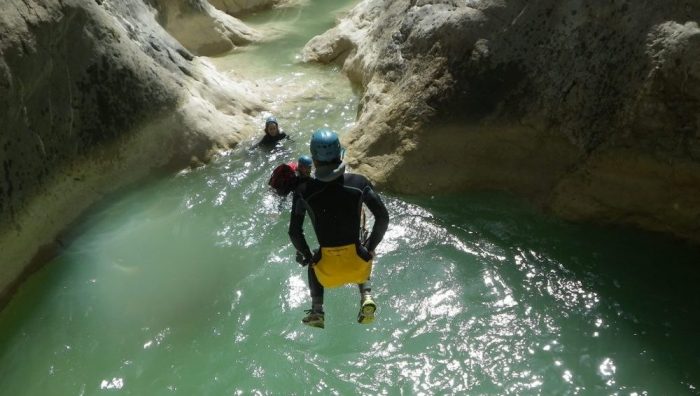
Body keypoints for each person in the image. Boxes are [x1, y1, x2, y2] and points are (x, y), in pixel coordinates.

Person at [289, 128, 389, 329]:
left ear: (314, 159)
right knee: (361, 241)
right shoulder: (358, 183)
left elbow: (294, 232)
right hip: (358, 265)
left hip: (326, 271)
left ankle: (317, 309)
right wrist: (369, 248)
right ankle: (366, 295)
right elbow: (383, 218)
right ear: (339, 154)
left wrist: (309, 256)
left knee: (312, 260)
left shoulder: (303, 191)